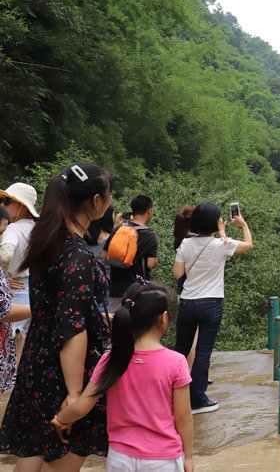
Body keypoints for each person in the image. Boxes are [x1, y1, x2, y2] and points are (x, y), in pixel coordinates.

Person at [0, 162, 112, 470]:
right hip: (64, 371)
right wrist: (75, 393)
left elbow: (55, 308)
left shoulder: (47, 240)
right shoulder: (77, 254)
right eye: (109, 194)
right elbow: (72, 329)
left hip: (37, 361)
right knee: (61, 455)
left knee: (33, 450)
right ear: (96, 201)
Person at [51, 281, 194, 472]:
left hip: (120, 459)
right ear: (164, 318)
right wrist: (189, 456)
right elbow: (183, 416)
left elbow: (83, 406)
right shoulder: (175, 362)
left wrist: (61, 419)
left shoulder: (111, 359)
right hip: (162, 459)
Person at [173, 201, 253, 414]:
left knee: (180, 350)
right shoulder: (222, 244)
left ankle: (171, 394)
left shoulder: (184, 244)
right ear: (215, 222)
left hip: (188, 302)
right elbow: (248, 245)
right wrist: (242, 226)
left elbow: (177, 274)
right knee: (202, 352)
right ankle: (197, 401)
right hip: (211, 304)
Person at [0, 181, 40, 367]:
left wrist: (4, 278)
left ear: (22, 206)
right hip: (34, 290)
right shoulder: (39, 228)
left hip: (15, 292)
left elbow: (5, 254)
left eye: (7, 201)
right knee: (26, 344)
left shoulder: (13, 229)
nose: (2, 204)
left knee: (11, 344)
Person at [107, 194, 159, 313]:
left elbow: (104, 255)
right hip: (136, 289)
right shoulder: (150, 234)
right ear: (149, 211)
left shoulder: (118, 229)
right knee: (133, 326)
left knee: (113, 323)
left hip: (115, 287)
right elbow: (150, 264)